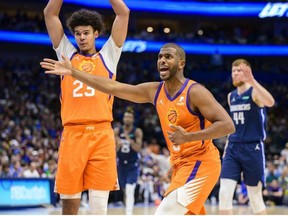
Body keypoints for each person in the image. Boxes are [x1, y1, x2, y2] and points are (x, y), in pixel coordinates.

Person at [40, 43, 235, 215]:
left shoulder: (196, 92)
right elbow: (112, 87)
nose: (162, 61)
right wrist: (74, 72)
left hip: (202, 164)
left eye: (168, 56)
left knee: (165, 213)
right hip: (181, 165)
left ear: (181, 63)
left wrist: (189, 137)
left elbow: (228, 125)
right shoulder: (154, 91)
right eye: (159, 57)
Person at [43, 0, 129, 214]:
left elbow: (123, 13)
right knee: (69, 207)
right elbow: (50, 14)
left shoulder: (109, 56)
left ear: (96, 33)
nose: (81, 37)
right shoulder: (66, 55)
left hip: (101, 135)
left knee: (99, 208)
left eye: (86, 33)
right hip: (73, 134)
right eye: (78, 33)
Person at [218, 59, 275, 215]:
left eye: (239, 71)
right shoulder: (231, 96)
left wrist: (253, 82)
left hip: (253, 148)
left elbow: (270, 102)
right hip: (232, 148)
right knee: (224, 194)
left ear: (248, 73)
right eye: (233, 71)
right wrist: (227, 146)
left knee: (255, 197)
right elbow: (234, 126)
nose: (235, 74)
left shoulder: (255, 92)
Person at [114, 107, 143, 215]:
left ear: (133, 119)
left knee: (130, 190)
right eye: (126, 116)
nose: (127, 118)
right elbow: (114, 150)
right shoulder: (117, 131)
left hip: (132, 165)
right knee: (125, 190)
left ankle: (129, 213)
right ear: (123, 118)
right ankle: (127, 209)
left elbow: (138, 148)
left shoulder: (137, 131)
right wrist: (117, 144)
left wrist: (129, 140)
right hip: (121, 165)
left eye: (130, 117)